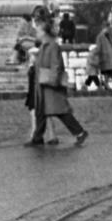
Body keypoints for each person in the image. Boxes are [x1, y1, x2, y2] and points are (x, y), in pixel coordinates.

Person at [26, 18, 87, 147]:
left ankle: (80, 132)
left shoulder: (52, 46)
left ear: (44, 33)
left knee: (60, 111)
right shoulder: (44, 46)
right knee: (41, 112)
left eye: (38, 31)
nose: (36, 33)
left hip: (50, 85)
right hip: (43, 85)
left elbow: (56, 65)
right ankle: (37, 138)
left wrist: (52, 81)